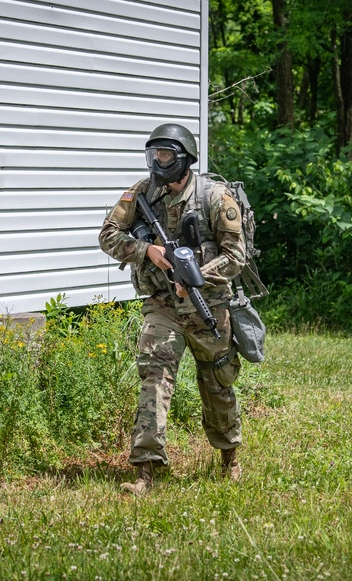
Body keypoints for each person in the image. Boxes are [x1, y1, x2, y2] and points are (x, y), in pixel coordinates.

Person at [98, 123, 247, 496]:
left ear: (184, 159)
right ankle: (145, 471)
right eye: (154, 155)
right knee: (154, 375)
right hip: (162, 305)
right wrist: (146, 250)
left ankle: (230, 458)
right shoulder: (141, 193)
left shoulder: (215, 197)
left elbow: (235, 257)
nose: (158, 163)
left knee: (217, 381)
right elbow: (107, 236)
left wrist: (196, 276)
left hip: (207, 306)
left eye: (165, 156)